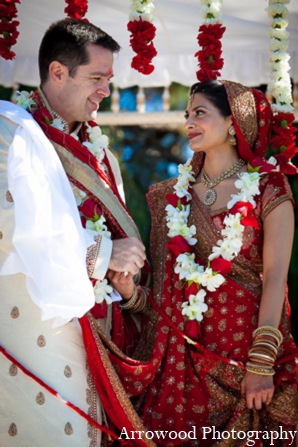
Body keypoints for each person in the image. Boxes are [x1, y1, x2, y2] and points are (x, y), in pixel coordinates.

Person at [110, 80, 298, 446]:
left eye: (200, 113)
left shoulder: (268, 188)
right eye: (187, 114)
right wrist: (132, 295)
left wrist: (261, 361)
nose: (189, 122)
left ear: (234, 123)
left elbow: (276, 277)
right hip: (179, 367)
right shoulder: (170, 197)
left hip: (243, 357)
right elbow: (166, 290)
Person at [0, 18, 149, 447]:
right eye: (96, 78)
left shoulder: (104, 158)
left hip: (105, 335)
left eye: (109, 80)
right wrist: (102, 255)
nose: (105, 90)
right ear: (58, 72)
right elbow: (11, 227)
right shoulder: (11, 135)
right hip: (40, 332)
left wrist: (125, 280)